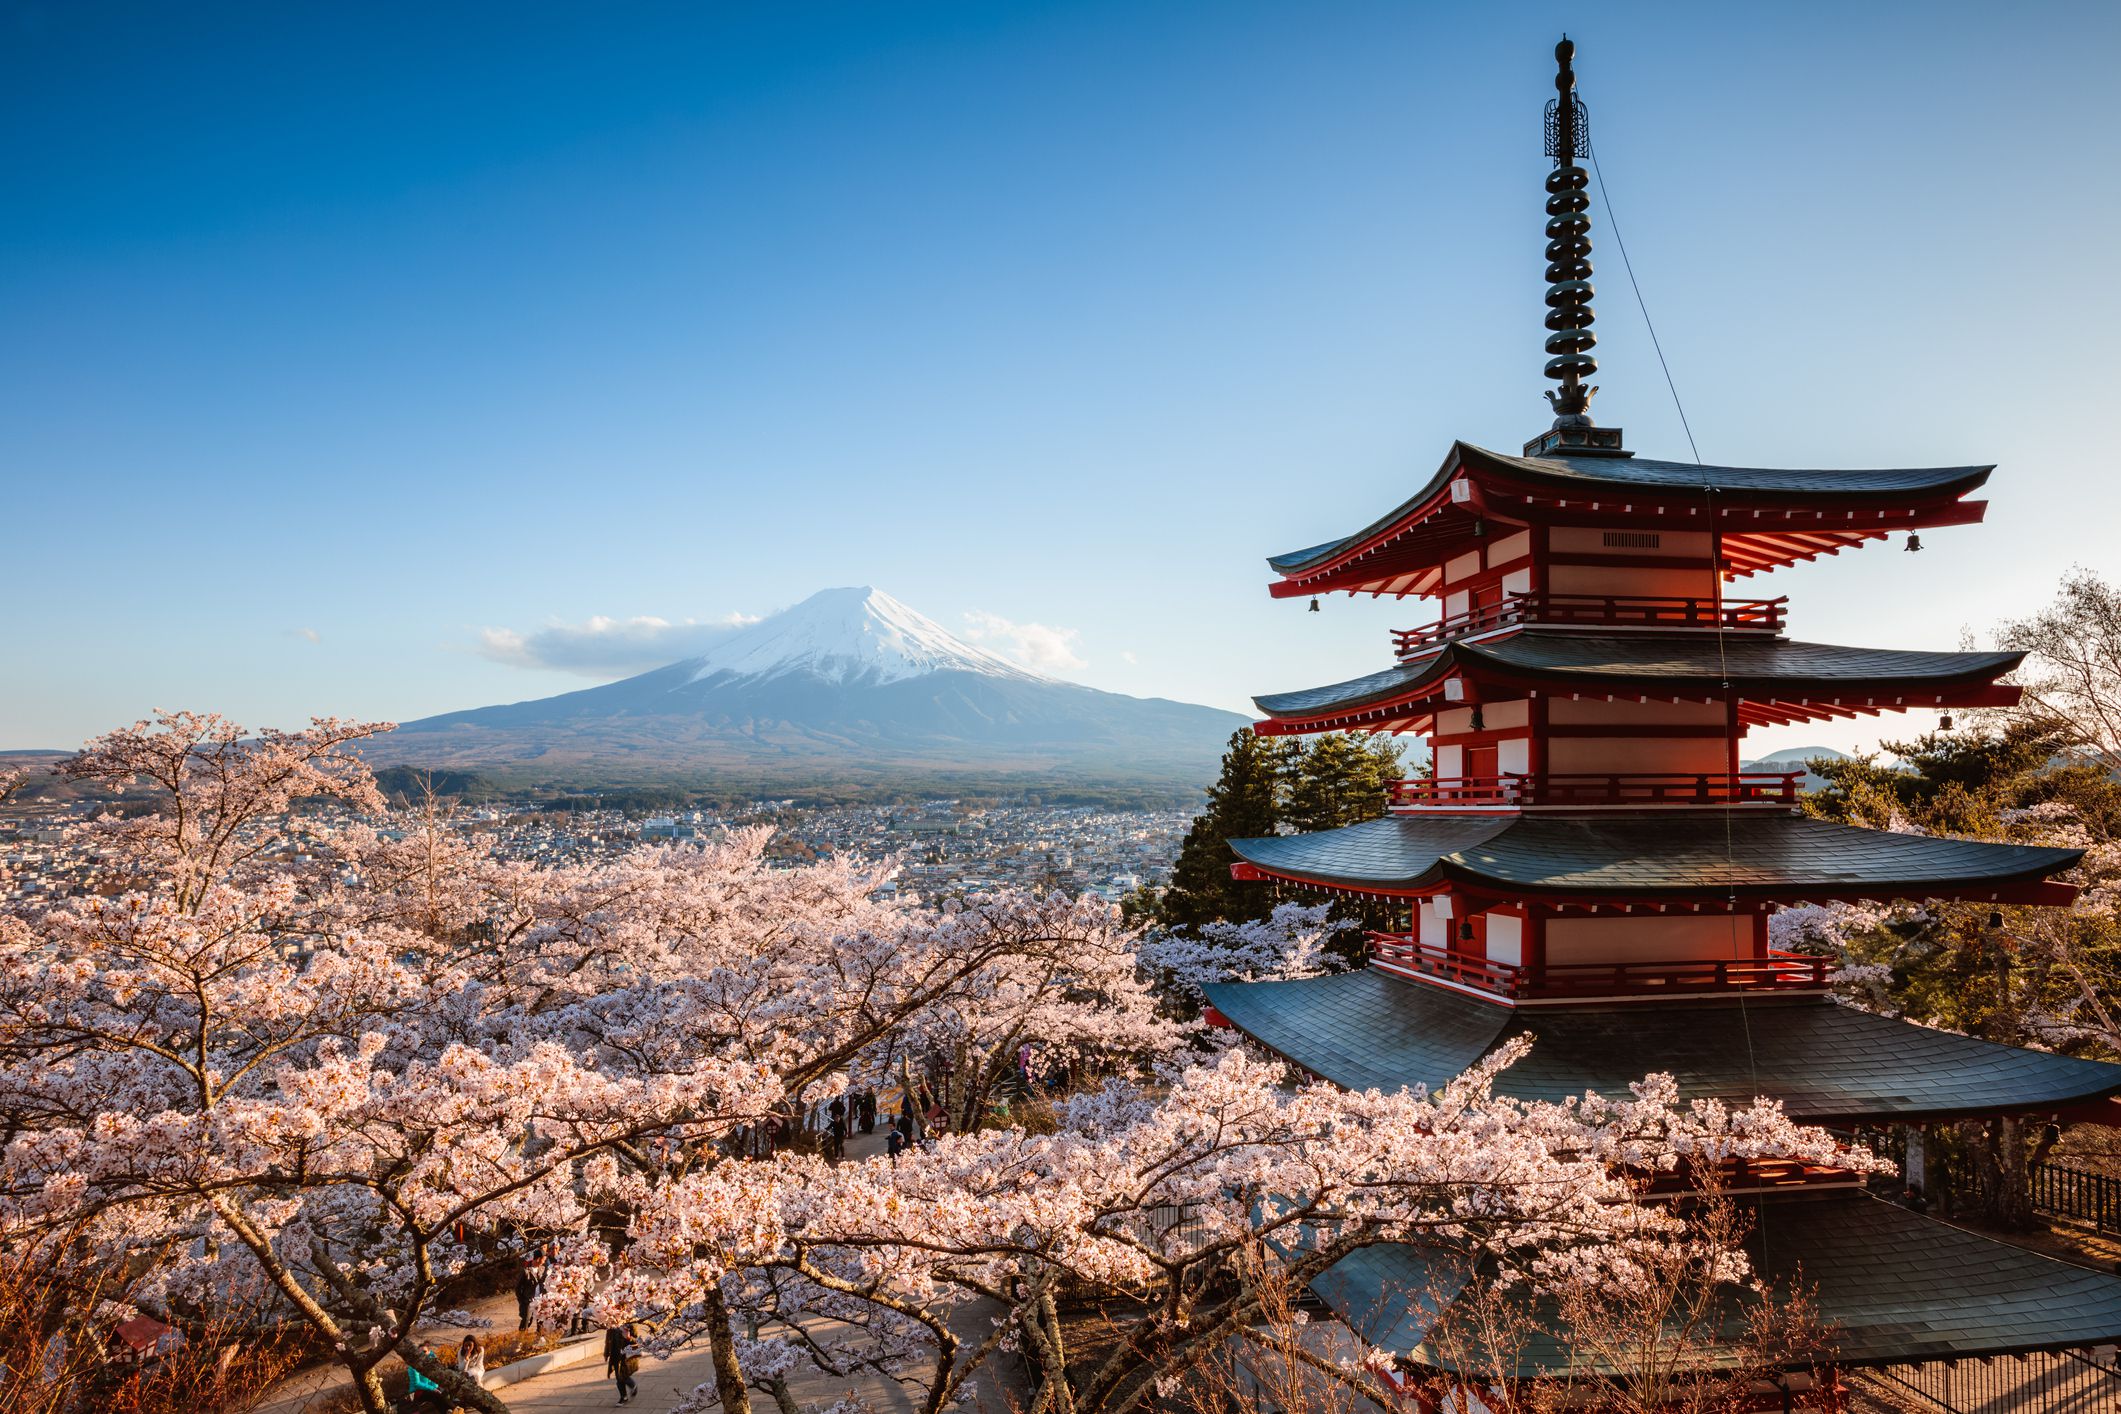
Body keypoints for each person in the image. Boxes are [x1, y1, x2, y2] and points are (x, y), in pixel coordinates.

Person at [607, 1322, 641, 1404]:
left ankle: (628, 1391)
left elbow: (637, 1342)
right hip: (615, 1355)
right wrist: (606, 1352)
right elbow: (608, 1339)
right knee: (619, 1377)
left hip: (626, 1356)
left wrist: (629, 1338)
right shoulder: (611, 1321)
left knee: (622, 1376)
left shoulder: (631, 1323)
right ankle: (625, 1395)